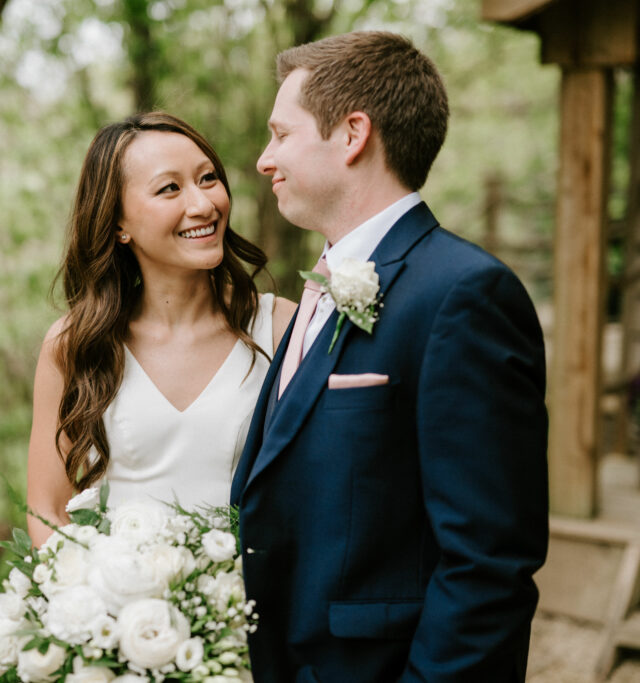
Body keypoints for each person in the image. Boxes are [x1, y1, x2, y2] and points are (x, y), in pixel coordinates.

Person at [230, 32, 549, 682]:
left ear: (352, 134)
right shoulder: (321, 286)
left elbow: (486, 563)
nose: (265, 159)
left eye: (281, 134)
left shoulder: (464, 294)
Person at [27, 112, 297, 546]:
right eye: (170, 188)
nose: (203, 205)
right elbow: (47, 510)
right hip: (114, 607)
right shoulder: (74, 344)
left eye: (208, 178)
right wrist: (87, 602)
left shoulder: (283, 326)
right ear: (118, 224)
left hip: (255, 604)